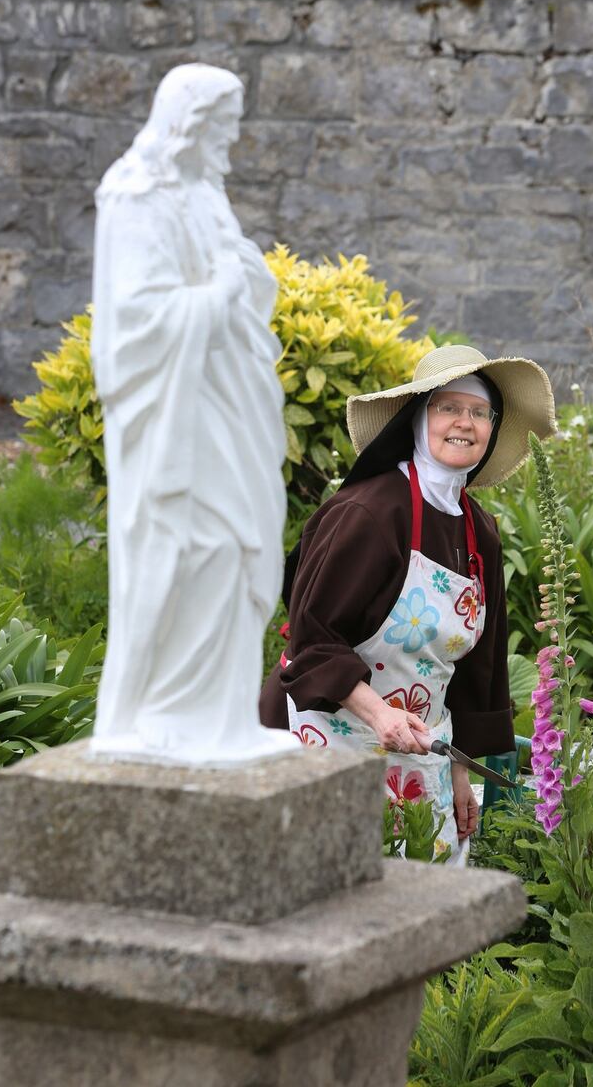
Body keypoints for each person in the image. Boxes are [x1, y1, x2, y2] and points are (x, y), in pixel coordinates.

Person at [260, 344, 556, 862]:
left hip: (422, 749)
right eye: (449, 407)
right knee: (325, 897)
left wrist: (460, 771)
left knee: (427, 900)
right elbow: (313, 638)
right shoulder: (368, 513)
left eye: (480, 412)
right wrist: (380, 716)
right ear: (419, 417)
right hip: (327, 734)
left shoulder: (479, 529)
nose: (465, 422)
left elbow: (476, 668)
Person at [90, 64, 293, 764]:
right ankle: (168, 715)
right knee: (199, 547)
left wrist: (242, 276)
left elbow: (238, 280)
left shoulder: (205, 193)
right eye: (224, 130)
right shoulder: (136, 195)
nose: (230, 146)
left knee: (243, 547)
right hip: (175, 412)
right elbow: (134, 323)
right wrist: (216, 294)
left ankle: (223, 716)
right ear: (191, 125)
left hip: (228, 402)